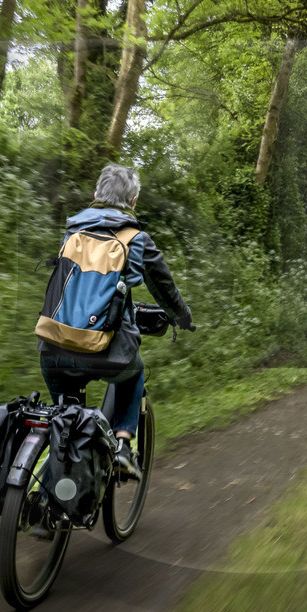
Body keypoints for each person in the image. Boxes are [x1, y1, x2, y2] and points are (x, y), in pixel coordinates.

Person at [38, 164, 191, 478]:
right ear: (133, 202)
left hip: (52, 346)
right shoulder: (137, 239)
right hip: (105, 352)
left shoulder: (73, 231)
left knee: (67, 422)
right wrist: (182, 317)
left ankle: (45, 506)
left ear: (96, 195)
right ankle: (122, 445)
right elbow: (164, 288)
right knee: (134, 374)